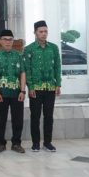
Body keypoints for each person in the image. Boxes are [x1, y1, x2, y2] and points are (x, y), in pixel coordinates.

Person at [24, 20, 62, 152]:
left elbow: (57, 67)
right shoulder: (29, 49)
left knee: (49, 116)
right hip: (36, 88)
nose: (44, 34)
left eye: (46, 31)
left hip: (50, 87)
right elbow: (27, 69)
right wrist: (30, 87)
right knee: (35, 116)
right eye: (41, 31)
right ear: (35, 33)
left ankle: (47, 142)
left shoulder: (53, 48)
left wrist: (58, 84)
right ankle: (35, 143)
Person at [0, 30, 26, 154]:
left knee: (18, 120)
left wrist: (23, 91)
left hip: (17, 93)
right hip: (1, 94)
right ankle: (1, 144)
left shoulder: (18, 55)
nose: (8, 42)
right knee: (0, 120)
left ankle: (16, 143)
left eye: (10, 39)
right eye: (5, 39)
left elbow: (23, 73)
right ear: (0, 41)